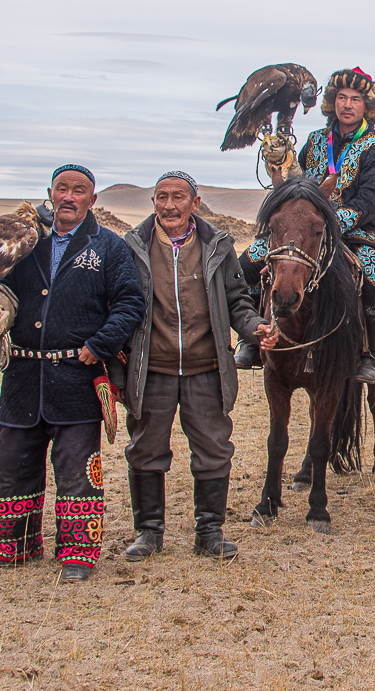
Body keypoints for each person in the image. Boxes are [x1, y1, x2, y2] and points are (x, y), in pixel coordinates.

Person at [0, 164, 145, 582]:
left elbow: (129, 303)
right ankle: (14, 548)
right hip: (21, 375)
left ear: (93, 200)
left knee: (77, 468)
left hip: (77, 375)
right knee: (11, 464)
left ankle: (77, 554)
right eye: (62, 189)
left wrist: (100, 345)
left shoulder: (108, 246)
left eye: (79, 191)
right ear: (50, 194)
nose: (68, 197)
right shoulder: (24, 243)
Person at [122, 171, 276, 561]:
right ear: (153, 202)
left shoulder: (217, 246)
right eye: (161, 197)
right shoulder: (133, 246)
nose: (169, 205)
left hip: (206, 366)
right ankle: (149, 532)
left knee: (213, 449)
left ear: (195, 202)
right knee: (145, 449)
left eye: (178, 197)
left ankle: (209, 530)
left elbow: (238, 300)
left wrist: (254, 327)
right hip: (151, 368)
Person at [235, 67, 375, 384]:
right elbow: (297, 184)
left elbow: (371, 200)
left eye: (355, 99)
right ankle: (252, 338)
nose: (346, 104)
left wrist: (330, 221)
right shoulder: (316, 140)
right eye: (340, 97)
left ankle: (371, 356)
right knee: (248, 263)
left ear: (367, 106)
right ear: (332, 102)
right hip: (304, 230)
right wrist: (280, 162)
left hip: (355, 234)